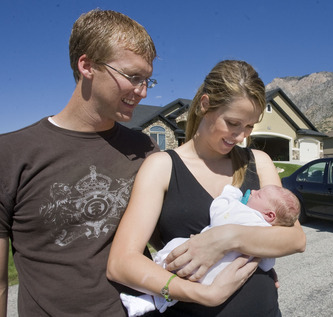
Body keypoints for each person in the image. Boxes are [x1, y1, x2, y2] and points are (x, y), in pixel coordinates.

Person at [107, 59, 307, 317]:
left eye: (249, 126)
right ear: (204, 105)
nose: (241, 136)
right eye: (233, 123)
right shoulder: (162, 167)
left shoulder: (258, 162)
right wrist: (203, 294)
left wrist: (224, 238)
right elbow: (121, 263)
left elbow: (296, 238)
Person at [0, 9, 162, 316]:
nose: (141, 91)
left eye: (147, 80)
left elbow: (173, 235)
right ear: (87, 66)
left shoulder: (145, 149)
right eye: (133, 77)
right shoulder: (9, 154)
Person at [120, 184, 300, 316]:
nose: (252, 191)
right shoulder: (269, 232)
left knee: (177, 247)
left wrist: (230, 194)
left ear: (269, 215)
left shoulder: (242, 211)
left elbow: (218, 212)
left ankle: (154, 282)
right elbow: (268, 262)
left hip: (209, 269)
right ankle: (150, 301)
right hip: (217, 278)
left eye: (259, 195)